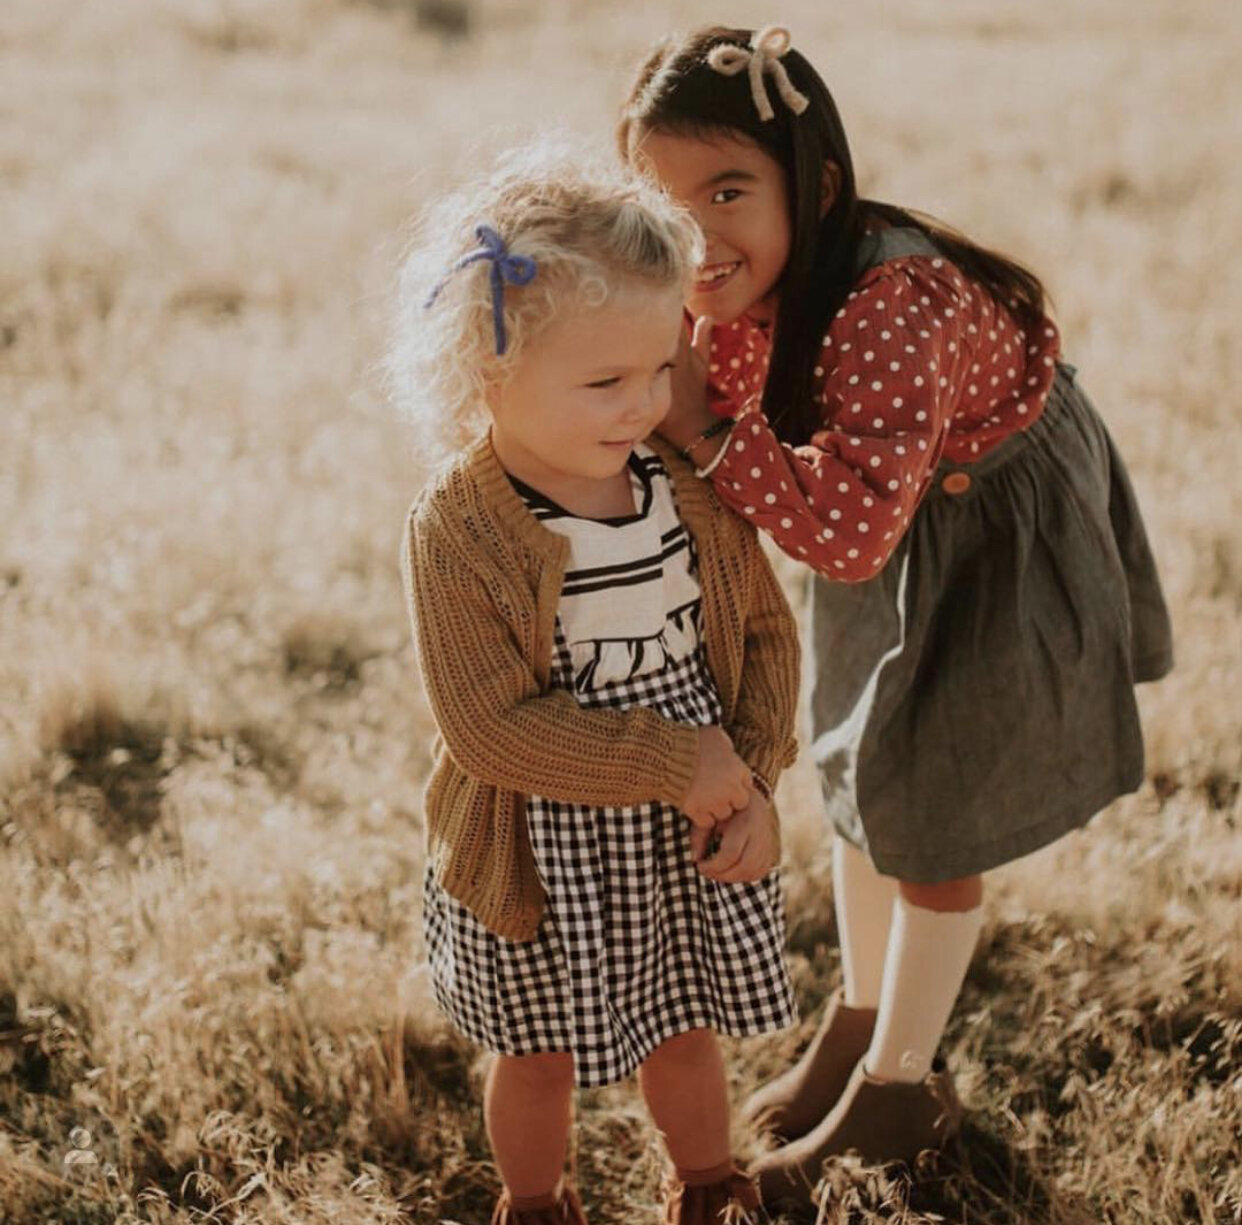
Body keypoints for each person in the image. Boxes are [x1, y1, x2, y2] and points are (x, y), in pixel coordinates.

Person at [618, 24, 1174, 1206]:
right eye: (661, 198)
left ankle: (900, 1092)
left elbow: (842, 527)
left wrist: (702, 432)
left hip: (983, 528)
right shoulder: (719, 280)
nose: (696, 233)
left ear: (813, 186)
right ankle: (863, 1020)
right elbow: (712, 422)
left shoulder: (888, 302)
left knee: (932, 811)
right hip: (882, 505)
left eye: (729, 190)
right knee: (860, 771)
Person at [393, 148, 802, 1224]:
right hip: (536, 845)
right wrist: (683, 761)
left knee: (683, 1026)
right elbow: (488, 726)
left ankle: (708, 1184)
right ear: (487, 374)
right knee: (535, 1054)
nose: (646, 404)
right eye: (606, 382)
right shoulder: (462, 527)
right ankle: (536, 1200)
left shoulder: (686, 493)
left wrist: (749, 779)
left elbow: (764, 635)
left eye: (661, 369)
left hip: (686, 832)